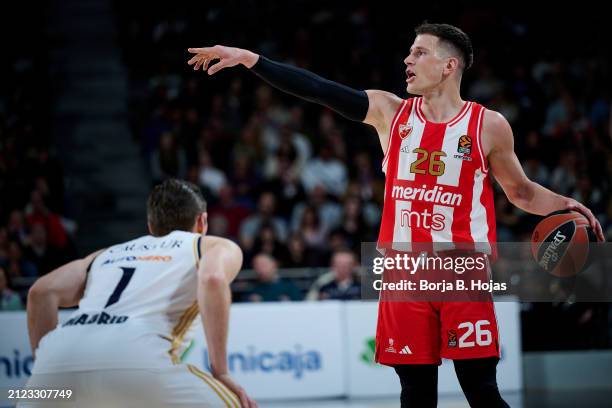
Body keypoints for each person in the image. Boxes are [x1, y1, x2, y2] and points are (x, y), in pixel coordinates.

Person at [187, 22, 604, 408]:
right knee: (415, 396)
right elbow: (319, 89)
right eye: (409, 53)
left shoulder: (488, 125)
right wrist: (251, 60)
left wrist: (564, 204)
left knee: (482, 393)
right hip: (403, 272)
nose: (407, 60)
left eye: (419, 53)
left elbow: (521, 191)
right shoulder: (391, 111)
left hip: (462, 269)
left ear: (448, 65)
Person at [20, 179, 257, 408]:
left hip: (52, 369)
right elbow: (213, 279)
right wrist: (221, 371)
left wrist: (48, 365)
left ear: (151, 226)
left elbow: (41, 292)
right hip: (136, 360)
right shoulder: (211, 245)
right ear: (202, 222)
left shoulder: (104, 254)